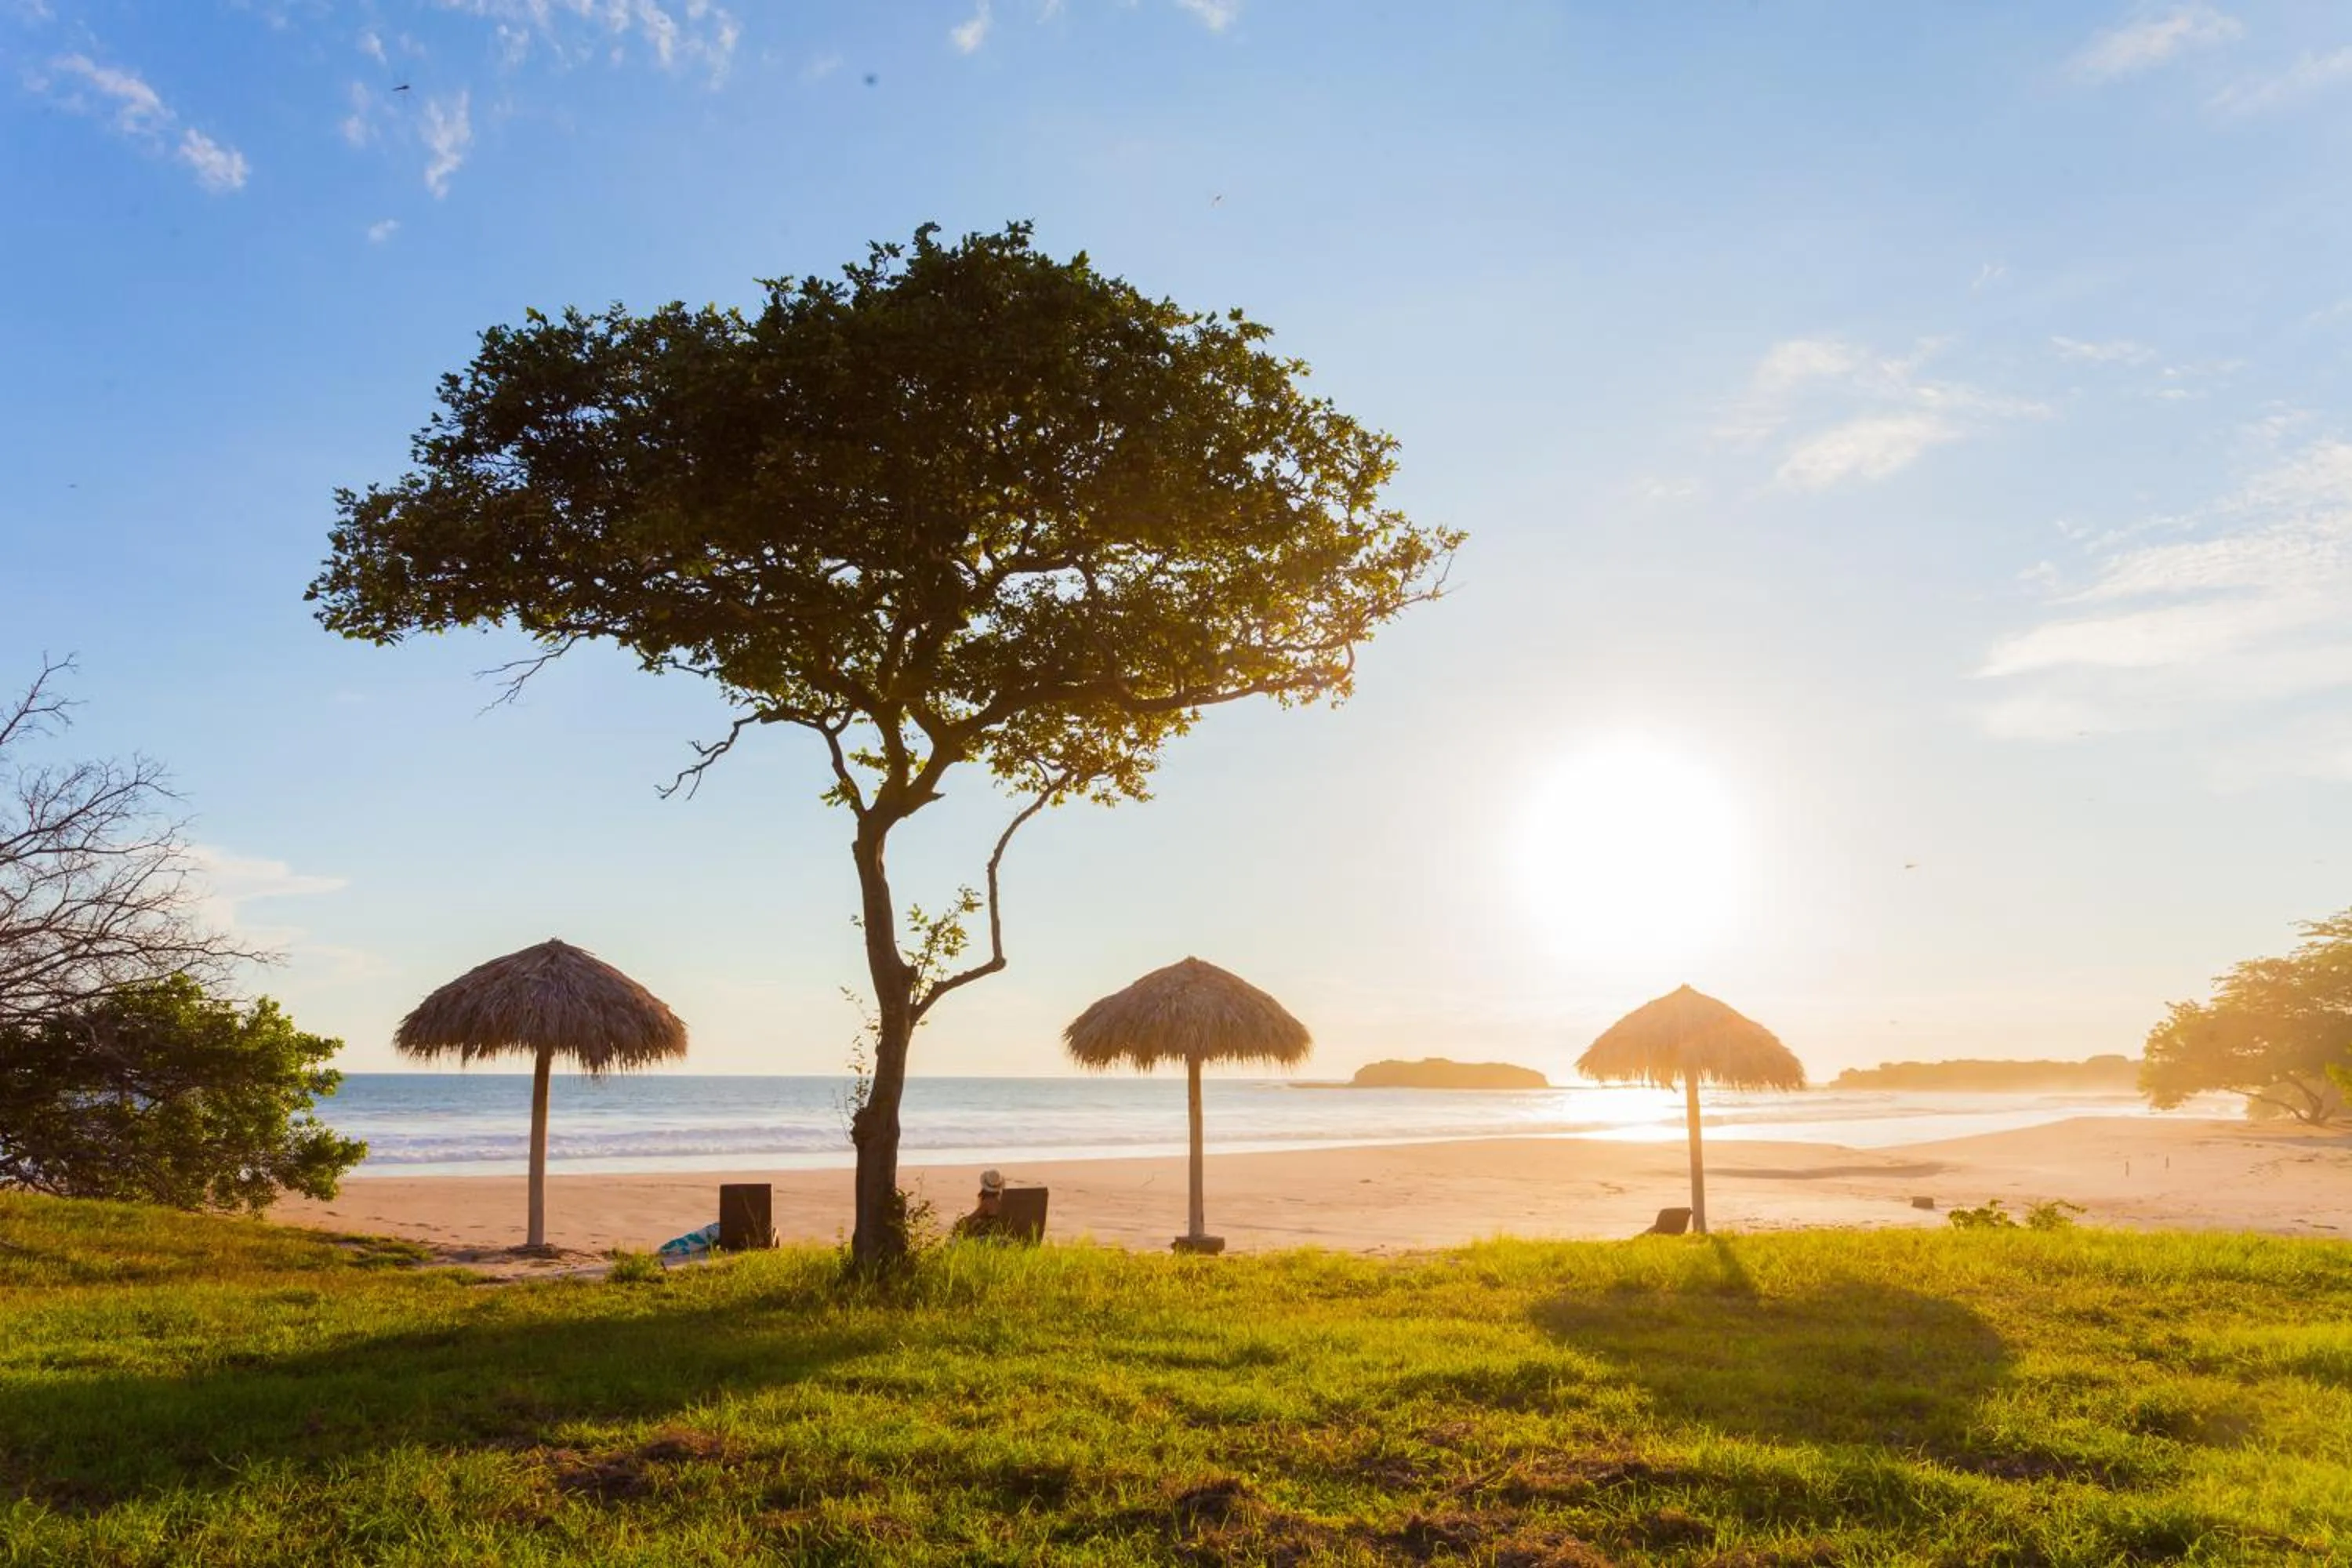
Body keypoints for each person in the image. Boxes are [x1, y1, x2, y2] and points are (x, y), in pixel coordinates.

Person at [952, 1169, 1014, 1240]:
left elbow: (972, 1218)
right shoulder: (1002, 1200)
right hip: (1000, 1231)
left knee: (961, 1225)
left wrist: (960, 1222)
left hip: (988, 1234)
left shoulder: (988, 1202)